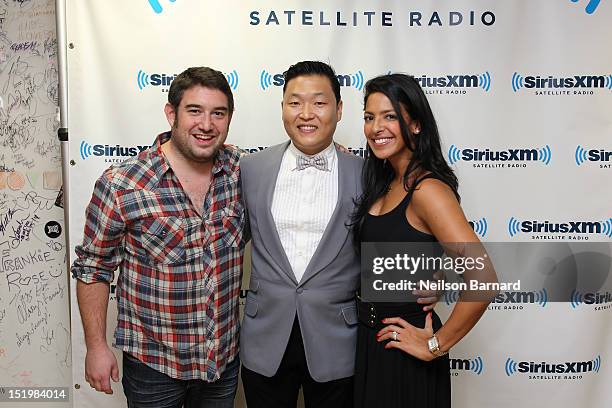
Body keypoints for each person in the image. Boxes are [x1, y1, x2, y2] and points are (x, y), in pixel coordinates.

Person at [71, 67, 245, 407]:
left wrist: (329, 151)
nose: (207, 125)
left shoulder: (240, 171)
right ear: (171, 113)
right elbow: (93, 268)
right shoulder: (123, 183)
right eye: (194, 110)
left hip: (221, 363)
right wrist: (96, 346)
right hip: (154, 367)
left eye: (218, 113)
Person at [351, 74, 490, 407]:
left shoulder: (429, 190)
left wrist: (435, 345)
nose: (376, 127)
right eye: (370, 117)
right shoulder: (383, 179)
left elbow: (483, 279)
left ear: (415, 124)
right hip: (371, 344)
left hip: (406, 351)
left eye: (389, 116)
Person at [238, 61, 362, 408]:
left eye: (319, 103)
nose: (306, 113)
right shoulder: (250, 168)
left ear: (338, 109)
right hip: (265, 338)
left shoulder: (367, 174)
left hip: (337, 340)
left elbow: (400, 229)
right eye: (295, 102)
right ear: (282, 109)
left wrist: (428, 275)